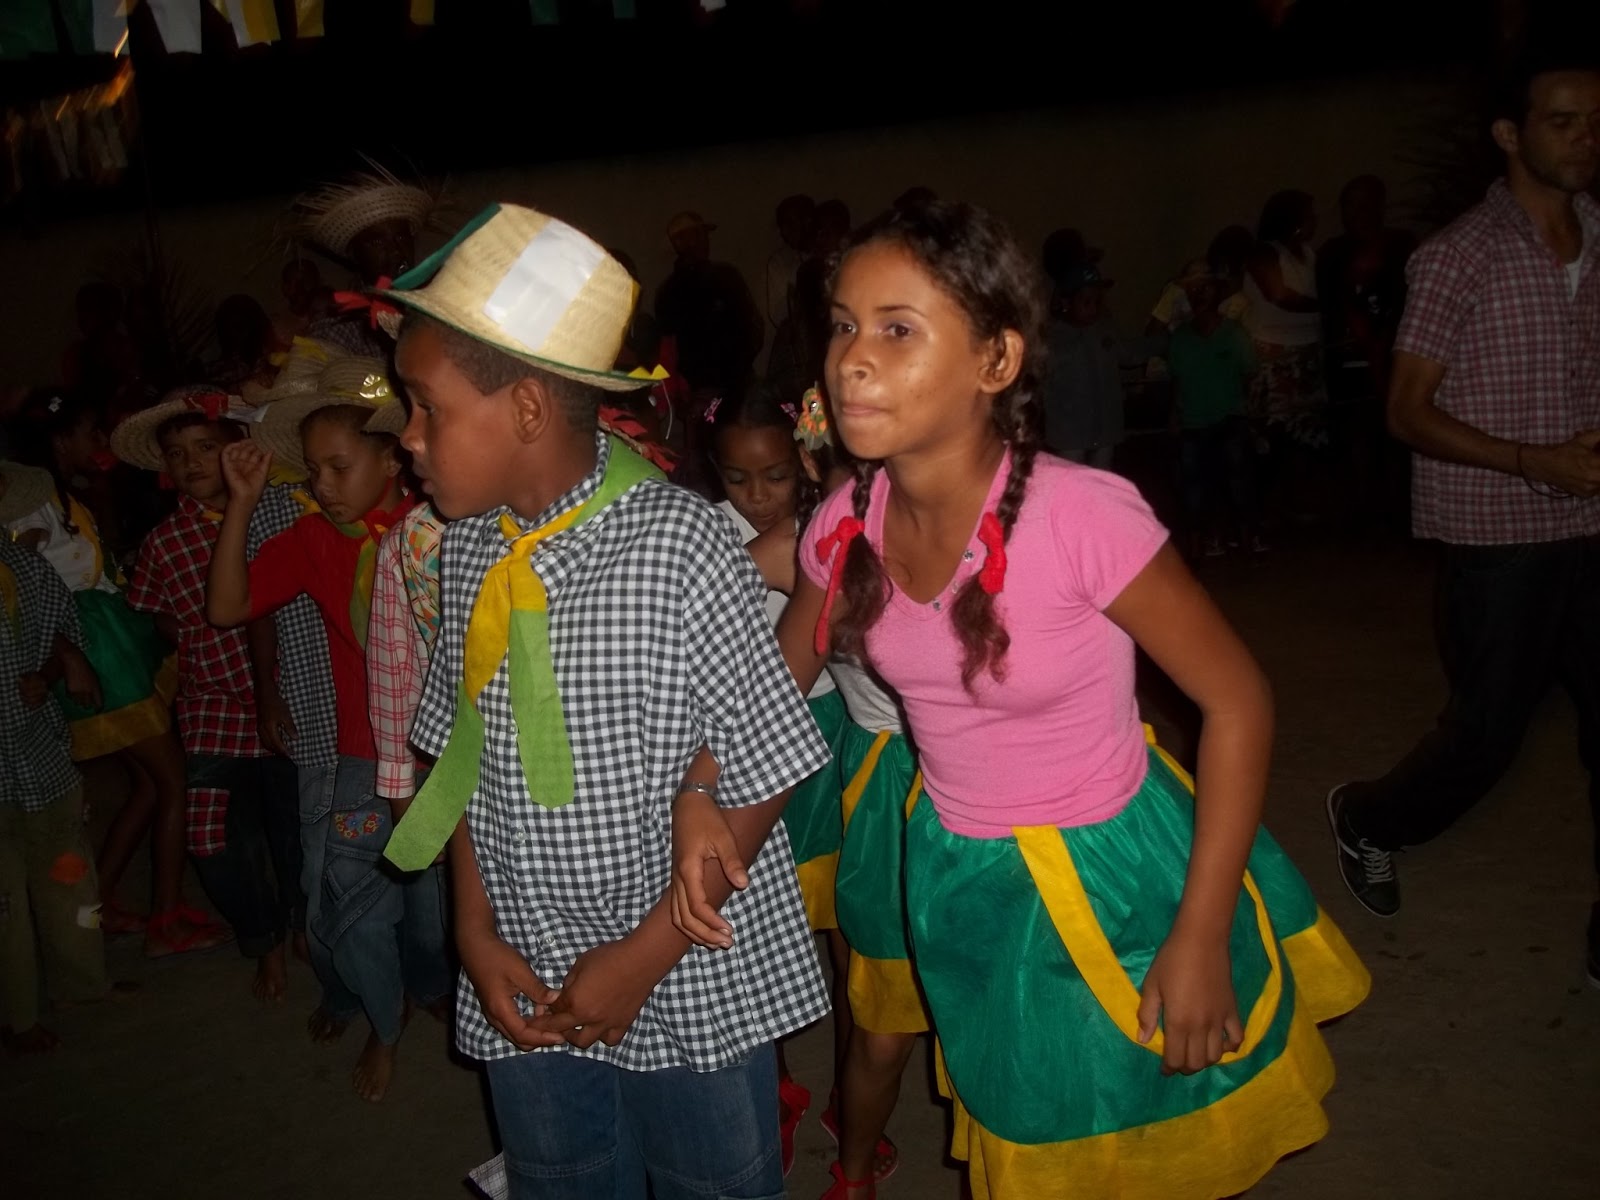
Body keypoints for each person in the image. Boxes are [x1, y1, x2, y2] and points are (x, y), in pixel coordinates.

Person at [675, 199, 1370, 1200]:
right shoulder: (845, 520)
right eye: (841, 325)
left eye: (897, 329)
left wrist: (1200, 931)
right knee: (1035, 1127)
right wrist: (702, 783)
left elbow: (1239, 702)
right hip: (959, 876)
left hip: (1116, 869)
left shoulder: (1080, 516)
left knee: (1148, 1125)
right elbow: (769, 686)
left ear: (995, 362)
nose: (851, 360)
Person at [377, 202, 830, 1200]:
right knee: (564, 1177)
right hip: (527, 968)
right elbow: (463, 762)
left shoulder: (678, 545)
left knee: (713, 1179)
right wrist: (472, 932)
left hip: (683, 962)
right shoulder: (468, 550)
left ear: (528, 412)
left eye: (426, 407)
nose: (404, 437)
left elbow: (763, 765)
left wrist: (642, 957)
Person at [1327, 65, 1600, 981]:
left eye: (1596, 123)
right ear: (1510, 136)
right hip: (1500, 535)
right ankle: (1368, 817)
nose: (1585, 139)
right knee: (1486, 738)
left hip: (1594, 528)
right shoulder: (1459, 255)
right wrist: (1534, 460)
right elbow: (1406, 411)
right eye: (1563, 122)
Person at [206, 359, 435, 1101]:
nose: (322, 484)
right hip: (365, 754)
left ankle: (417, 986)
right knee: (352, 898)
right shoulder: (313, 540)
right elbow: (227, 608)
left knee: (432, 919)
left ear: (392, 457)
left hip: (447, 757)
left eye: (339, 466)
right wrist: (242, 503)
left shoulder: (436, 531)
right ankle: (384, 1020)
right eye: (314, 470)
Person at [5, 393, 228, 959]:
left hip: (101, 636)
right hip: (93, 643)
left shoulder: (61, 498)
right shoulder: (32, 508)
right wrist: (68, 652)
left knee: (151, 785)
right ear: (61, 443)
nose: (98, 449)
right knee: (171, 779)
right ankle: (165, 917)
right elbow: (23, 586)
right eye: (90, 436)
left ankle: (98, 903)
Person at [111, 387, 305, 1002]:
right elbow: (150, 612)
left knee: (296, 835)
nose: (191, 462)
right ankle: (262, 939)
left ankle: (299, 927)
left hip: (289, 704)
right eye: (176, 454)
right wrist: (179, 626)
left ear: (239, 453)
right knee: (214, 840)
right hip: (212, 709)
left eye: (204, 448)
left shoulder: (282, 515)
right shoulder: (166, 542)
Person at [705, 383, 851, 1176]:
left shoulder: (824, 526)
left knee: (842, 923)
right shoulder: (706, 540)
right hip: (751, 747)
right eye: (737, 479)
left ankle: (849, 1097)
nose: (758, 497)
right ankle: (780, 1085)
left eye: (775, 478)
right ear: (715, 474)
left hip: (834, 731)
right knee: (763, 924)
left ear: (802, 465)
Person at [0, 468, 109, 1054]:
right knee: (5, 902)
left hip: (39, 753)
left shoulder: (20, 563)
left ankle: (82, 985)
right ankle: (16, 1018)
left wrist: (49, 670)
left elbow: (60, 626)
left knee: (69, 872)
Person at [1318, 175, 1418, 526]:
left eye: (1363, 203)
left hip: (1394, 361)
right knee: (1354, 440)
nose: (1356, 212)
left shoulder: (1402, 245)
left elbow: (1410, 302)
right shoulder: (1332, 253)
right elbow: (1329, 307)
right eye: (1349, 204)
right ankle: (1363, 519)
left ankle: (1398, 517)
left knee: (1396, 440)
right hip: (1347, 364)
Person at [291, 163, 438, 357]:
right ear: (354, 254)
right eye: (377, 242)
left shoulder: (439, 302)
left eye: (401, 237)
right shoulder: (337, 326)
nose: (395, 251)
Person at [1168, 271, 1263, 556]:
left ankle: (1246, 541)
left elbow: (1250, 375)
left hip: (1229, 419)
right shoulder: (1180, 339)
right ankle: (1200, 546)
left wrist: (1247, 413)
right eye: (1194, 289)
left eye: (1205, 287)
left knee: (1239, 483)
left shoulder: (1234, 334)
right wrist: (1174, 416)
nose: (1199, 294)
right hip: (1193, 423)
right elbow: (1176, 383)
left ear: (1218, 293)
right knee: (1194, 488)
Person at [1040, 261, 1164, 468]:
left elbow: (1129, 354)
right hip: (1069, 434)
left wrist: (1163, 342)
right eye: (1086, 302)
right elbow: (1037, 377)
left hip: (1106, 429)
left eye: (1098, 302)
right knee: (1073, 485)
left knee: (1103, 482)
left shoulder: (1105, 329)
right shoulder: (1052, 338)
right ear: (1066, 302)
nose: (1093, 309)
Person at [1243, 189, 1328, 455]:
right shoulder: (1265, 253)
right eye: (1309, 215)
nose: (1315, 220)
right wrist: (1328, 306)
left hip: (1308, 352)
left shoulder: (1308, 253)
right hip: (1275, 355)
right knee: (1276, 432)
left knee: (1310, 435)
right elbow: (1279, 295)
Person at [655, 210, 765, 395]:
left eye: (703, 234)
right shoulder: (723, 276)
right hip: (713, 389)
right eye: (698, 234)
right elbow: (669, 348)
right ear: (680, 242)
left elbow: (753, 326)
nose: (705, 240)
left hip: (720, 387)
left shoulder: (667, 291)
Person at [767, 194, 817, 330]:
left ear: (808, 221)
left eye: (790, 223)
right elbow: (779, 315)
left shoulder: (830, 253)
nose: (784, 232)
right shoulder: (780, 262)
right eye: (782, 225)